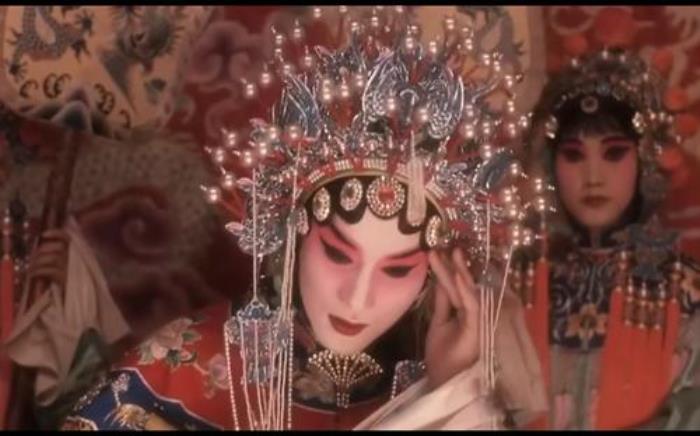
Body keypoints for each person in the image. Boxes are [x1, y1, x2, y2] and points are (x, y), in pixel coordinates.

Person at [58, 10, 547, 431]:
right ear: (291, 230)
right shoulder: (185, 362)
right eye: (337, 253)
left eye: (398, 269)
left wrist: (449, 394)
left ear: (435, 276)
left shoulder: (442, 378)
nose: (357, 298)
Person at [520, 48, 700, 430]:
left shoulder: (687, 292)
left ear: (645, 160)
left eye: (614, 153)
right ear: (551, 165)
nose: (593, 177)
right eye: (573, 155)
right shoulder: (516, 289)